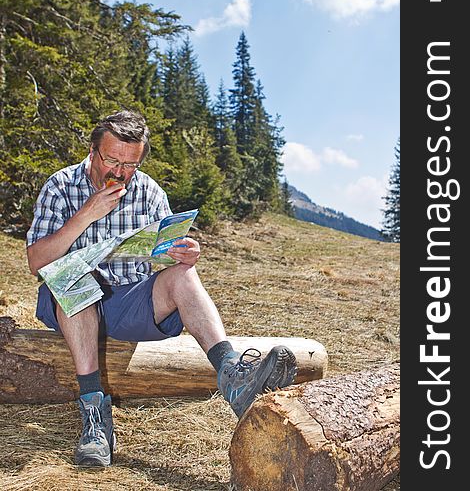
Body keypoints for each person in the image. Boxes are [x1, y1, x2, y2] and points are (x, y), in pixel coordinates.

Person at [26, 110, 297, 468]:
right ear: (93, 151)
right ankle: (95, 419)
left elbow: (165, 256)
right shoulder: (61, 186)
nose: (119, 172)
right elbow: (35, 262)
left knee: (183, 274)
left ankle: (232, 375)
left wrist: (184, 252)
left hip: (127, 301)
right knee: (75, 278)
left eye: (130, 165)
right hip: (69, 303)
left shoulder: (149, 191)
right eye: (112, 160)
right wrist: (85, 215)